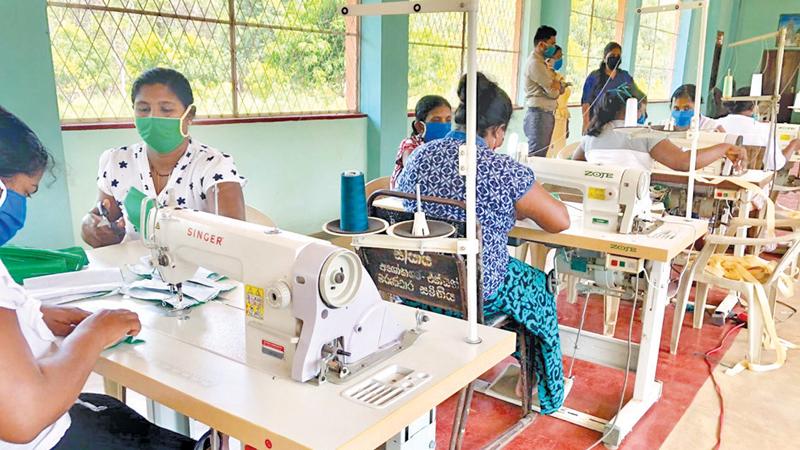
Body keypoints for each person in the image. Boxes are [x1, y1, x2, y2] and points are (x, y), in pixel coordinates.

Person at [0, 106, 196, 450]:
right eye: (25, 193)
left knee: (115, 410)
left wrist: (33, 314)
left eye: (166, 110)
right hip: (39, 436)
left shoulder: (211, 163)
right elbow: (23, 417)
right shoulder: (119, 161)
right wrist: (94, 332)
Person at [396, 72, 570, 413]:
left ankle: (525, 370)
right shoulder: (501, 169)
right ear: (498, 131)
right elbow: (559, 221)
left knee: (519, 284)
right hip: (473, 294)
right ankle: (545, 391)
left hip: (418, 287)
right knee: (538, 288)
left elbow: (403, 202)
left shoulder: (420, 156)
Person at [82, 68, 247, 248]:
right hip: (134, 270)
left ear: (189, 115)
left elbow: (234, 235)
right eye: (143, 109)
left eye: (166, 110)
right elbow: (101, 216)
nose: (153, 117)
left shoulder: (213, 166)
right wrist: (91, 227)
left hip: (198, 272)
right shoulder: (117, 161)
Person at [573, 85, 747, 172]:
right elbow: (683, 162)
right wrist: (724, 147)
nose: (644, 114)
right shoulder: (643, 135)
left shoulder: (590, 137)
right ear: (634, 108)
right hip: (630, 208)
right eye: (643, 109)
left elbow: (574, 165)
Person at [716, 87, 800, 170]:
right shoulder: (763, 129)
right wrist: (793, 145)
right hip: (750, 181)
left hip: (714, 179)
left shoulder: (717, 124)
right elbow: (776, 164)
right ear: (754, 107)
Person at [390, 96, 452, 189]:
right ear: (420, 126)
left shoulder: (450, 145)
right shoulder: (410, 144)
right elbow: (412, 170)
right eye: (436, 120)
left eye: (448, 120)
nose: (444, 124)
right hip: (404, 197)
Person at [523, 25, 565, 157]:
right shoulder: (536, 64)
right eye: (552, 43)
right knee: (536, 157)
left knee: (541, 154)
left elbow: (556, 86)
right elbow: (552, 92)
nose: (554, 47)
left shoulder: (542, 63)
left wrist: (558, 85)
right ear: (541, 44)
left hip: (544, 115)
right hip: (539, 115)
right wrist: (558, 87)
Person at [581, 42, 639, 134]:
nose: (615, 58)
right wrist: (586, 123)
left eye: (618, 56)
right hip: (596, 124)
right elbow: (586, 103)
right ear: (605, 58)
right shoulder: (594, 77)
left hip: (619, 125)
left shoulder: (625, 76)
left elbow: (636, 96)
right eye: (612, 55)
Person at [545, 46, 571, 158]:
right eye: (558, 57)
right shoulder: (544, 77)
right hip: (551, 118)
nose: (561, 59)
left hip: (562, 119)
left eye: (562, 57)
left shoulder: (559, 76)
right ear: (549, 59)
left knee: (560, 152)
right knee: (549, 152)